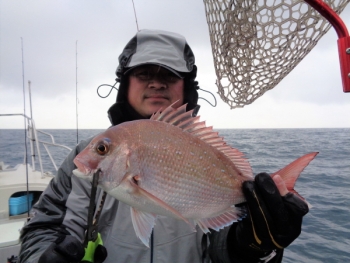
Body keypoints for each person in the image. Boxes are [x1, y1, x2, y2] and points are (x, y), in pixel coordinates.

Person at [18, 29, 309, 263]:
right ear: (125, 84)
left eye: (169, 75)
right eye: (144, 73)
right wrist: (41, 257)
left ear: (186, 86)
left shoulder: (210, 156)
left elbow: (222, 249)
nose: (156, 84)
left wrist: (252, 249)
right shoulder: (80, 156)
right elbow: (40, 227)